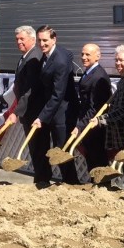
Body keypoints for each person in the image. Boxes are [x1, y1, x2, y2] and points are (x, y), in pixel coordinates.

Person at [30, 25, 80, 186]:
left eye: (45, 40)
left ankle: (71, 183)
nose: (42, 44)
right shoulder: (51, 54)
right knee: (57, 149)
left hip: (62, 113)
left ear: (54, 39)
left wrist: (41, 117)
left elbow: (58, 95)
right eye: (39, 40)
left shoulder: (59, 61)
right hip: (52, 109)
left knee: (62, 149)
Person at [91, 45, 124, 189]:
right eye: (116, 60)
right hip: (123, 137)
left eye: (121, 60)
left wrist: (100, 120)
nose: (118, 64)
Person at [7, 26, 43, 184]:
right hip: (27, 111)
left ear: (33, 39)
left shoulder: (34, 57)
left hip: (34, 110)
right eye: (17, 39)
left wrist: (16, 112)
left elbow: (30, 89)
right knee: (34, 147)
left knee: (38, 147)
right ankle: (40, 177)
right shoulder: (25, 57)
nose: (19, 42)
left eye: (22, 39)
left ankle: (42, 179)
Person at [73, 43, 112, 175]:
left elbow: (95, 107)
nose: (84, 57)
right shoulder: (89, 72)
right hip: (87, 123)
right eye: (82, 54)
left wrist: (80, 126)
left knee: (97, 158)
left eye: (88, 54)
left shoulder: (99, 76)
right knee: (91, 157)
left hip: (94, 126)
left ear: (98, 56)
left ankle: (102, 186)